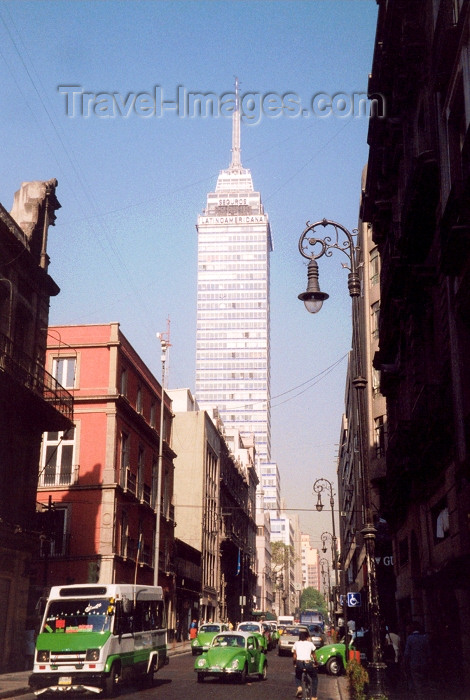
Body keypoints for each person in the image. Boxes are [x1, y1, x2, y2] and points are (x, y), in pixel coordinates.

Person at [403, 622, 431, 699]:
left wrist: (405, 663)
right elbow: (428, 653)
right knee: (424, 682)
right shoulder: (424, 638)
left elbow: (406, 654)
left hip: (414, 664)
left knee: (417, 683)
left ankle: (420, 697)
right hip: (424, 664)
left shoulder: (410, 638)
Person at [292, 630, 318, 700]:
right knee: (314, 678)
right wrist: (316, 663)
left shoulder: (296, 643)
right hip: (308, 663)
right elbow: (314, 656)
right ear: (307, 637)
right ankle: (314, 696)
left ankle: (299, 687)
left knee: (297, 676)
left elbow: (294, 656)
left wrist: (294, 663)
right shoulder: (310, 644)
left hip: (299, 663)